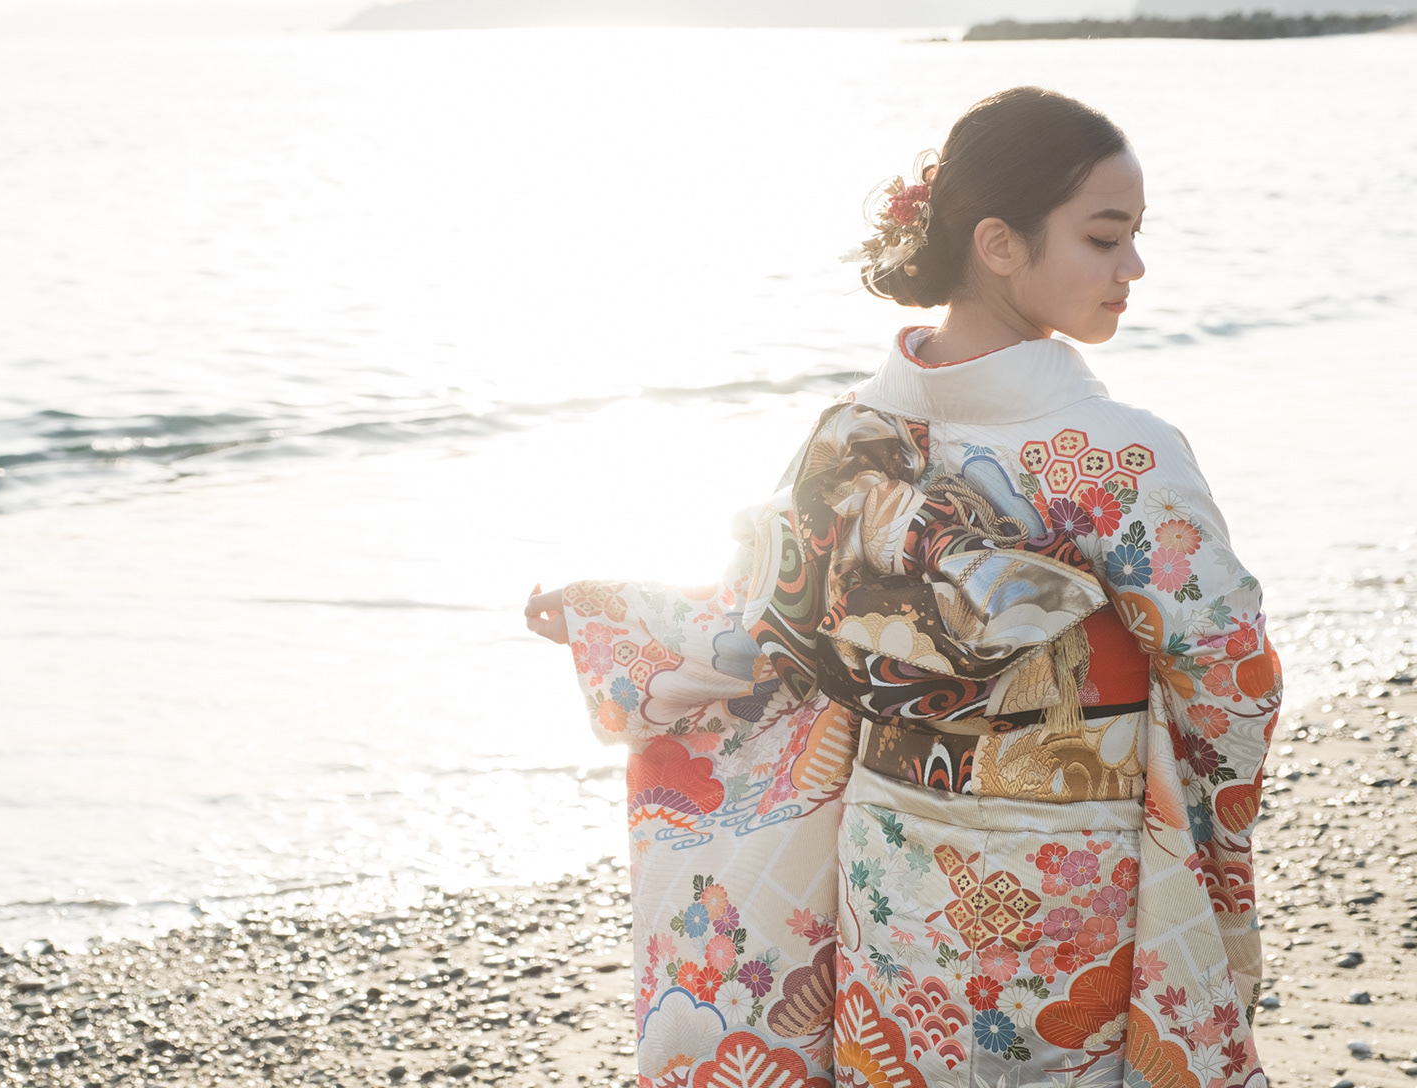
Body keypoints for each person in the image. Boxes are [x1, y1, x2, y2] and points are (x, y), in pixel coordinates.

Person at [523, 87, 1278, 1088]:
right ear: (997, 242)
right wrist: (1208, 838)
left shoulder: (852, 432)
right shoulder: (1121, 454)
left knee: (903, 1059)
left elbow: (760, 621)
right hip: (1069, 865)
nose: (1132, 266)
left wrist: (613, 621)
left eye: (1136, 236)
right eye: (1105, 238)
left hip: (890, 856)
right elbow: (1227, 671)